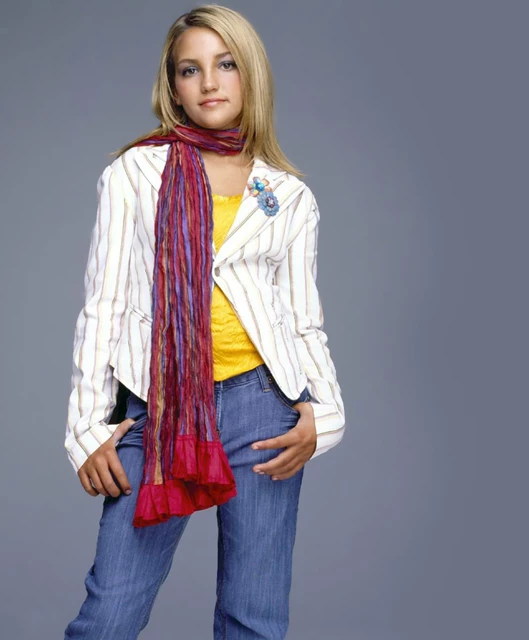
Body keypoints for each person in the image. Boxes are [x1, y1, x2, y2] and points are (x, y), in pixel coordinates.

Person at [62, 5, 346, 638]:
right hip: (158, 408)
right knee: (109, 615)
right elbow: (103, 304)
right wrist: (86, 428)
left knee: (254, 617)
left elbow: (303, 320)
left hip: (264, 410)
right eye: (190, 69)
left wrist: (322, 416)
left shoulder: (288, 196)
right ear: (173, 84)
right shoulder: (136, 173)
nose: (209, 82)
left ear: (251, 75)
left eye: (226, 64)